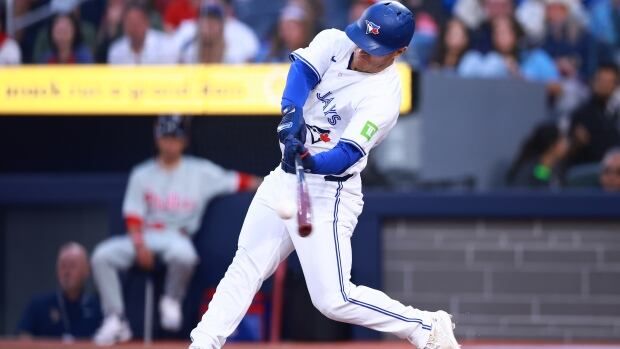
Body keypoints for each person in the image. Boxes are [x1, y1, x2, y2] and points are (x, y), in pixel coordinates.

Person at [189, 2, 459, 349]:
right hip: (285, 179)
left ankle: (424, 325)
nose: (362, 49)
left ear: (400, 51)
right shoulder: (335, 41)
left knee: (334, 299)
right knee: (247, 263)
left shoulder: (385, 96)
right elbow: (302, 73)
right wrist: (290, 115)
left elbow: (346, 154)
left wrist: (311, 161)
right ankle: (204, 343)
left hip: (329, 192)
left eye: (374, 47)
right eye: (362, 38)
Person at [91, 115, 261, 346]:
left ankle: (171, 299)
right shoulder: (142, 174)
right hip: (145, 236)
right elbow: (133, 215)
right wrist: (139, 245)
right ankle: (115, 318)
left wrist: (270, 184)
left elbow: (238, 180)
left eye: (175, 138)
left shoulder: (200, 172)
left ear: (184, 141)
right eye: (166, 137)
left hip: (176, 237)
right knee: (102, 256)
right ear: (157, 138)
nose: (170, 143)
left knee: (186, 255)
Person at [17, 242, 102, 340]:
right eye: (63, 266)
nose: (66, 272)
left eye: (72, 266)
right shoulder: (38, 305)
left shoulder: (98, 308)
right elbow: (23, 337)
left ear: (87, 270)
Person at [458, 16, 558, 81]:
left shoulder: (536, 58)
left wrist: (519, 75)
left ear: (516, 35)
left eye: (505, 32)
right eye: (497, 33)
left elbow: (557, 88)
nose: (501, 37)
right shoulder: (487, 62)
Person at [173, 0, 259, 64]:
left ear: (222, 25)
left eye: (213, 22)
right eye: (205, 21)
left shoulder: (237, 46)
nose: (208, 26)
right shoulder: (187, 45)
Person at [568, 63, 620, 166]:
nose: (602, 85)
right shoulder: (581, 113)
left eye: (607, 82)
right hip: (588, 168)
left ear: (616, 85)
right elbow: (569, 148)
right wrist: (577, 142)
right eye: (599, 80)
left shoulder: (616, 112)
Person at [108, 2, 176, 65]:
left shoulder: (165, 46)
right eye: (130, 22)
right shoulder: (116, 51)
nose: (134, 27)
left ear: (147, 23)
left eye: (137, 22)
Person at [506, 122, 569, 188]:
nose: (566, 145)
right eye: (562, 141)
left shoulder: (556, 168)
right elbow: (541, 191)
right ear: (551, 145)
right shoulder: (535, 169)